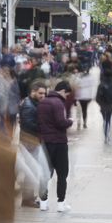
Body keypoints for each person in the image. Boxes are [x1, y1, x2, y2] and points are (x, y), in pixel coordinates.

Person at [36, 80, 74, 212]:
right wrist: (70, 121)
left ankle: (43, 202)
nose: (66, 98)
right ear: (63, 91)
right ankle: (61, 203)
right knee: (62, 174)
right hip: (59, 143)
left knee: (45, 172)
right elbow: (60, 122)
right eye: (67, 95)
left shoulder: (42, 102)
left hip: (45, 142)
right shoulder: (58, 103)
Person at [19, 82, 47, 208]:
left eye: (44, 93)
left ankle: (29, 197)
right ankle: (27, 198)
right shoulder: (29, 106)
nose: (43, 96)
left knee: (33, 170)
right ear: (33, 92)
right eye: (40, 93)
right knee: (32, 171)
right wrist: (44, 126)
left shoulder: (33, 103)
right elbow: (27, 125)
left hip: (32, 141)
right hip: (29, 141)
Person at [96, 68, 112, 144]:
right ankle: (109, 135)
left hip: (103, 105)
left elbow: (97, 96)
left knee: (104, 120)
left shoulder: (101, 84)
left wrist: (100, 103)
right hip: (111, 105)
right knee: (109, 120)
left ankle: (105, 136)